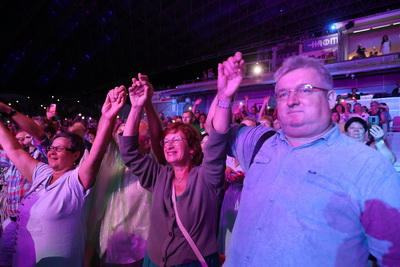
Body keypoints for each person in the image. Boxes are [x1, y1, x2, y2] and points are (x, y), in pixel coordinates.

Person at [209, 53, 400, 266]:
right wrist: (224, 97)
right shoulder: (259, 142)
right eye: (282, 94)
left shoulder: (367, 166)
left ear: (330, 99)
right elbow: (216, 131)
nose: (292, 100)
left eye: (305, 89)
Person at [0, 87, 126, 266]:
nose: (51, 152)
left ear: (76, 155)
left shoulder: (75, 182)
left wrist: (107, 116)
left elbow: (97, 151)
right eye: (52, 148)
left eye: (59, 148)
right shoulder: (42, 174)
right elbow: (13, 149)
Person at [119, 73, 228, 266]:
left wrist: (224, 97)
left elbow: (217, 142)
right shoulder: (159, 176)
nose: (169, 145)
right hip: (153, 261)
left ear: (193, 148)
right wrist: (136, 107)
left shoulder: (206, 178)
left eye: (176, 140)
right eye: (166, 141)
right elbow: (128, 151)